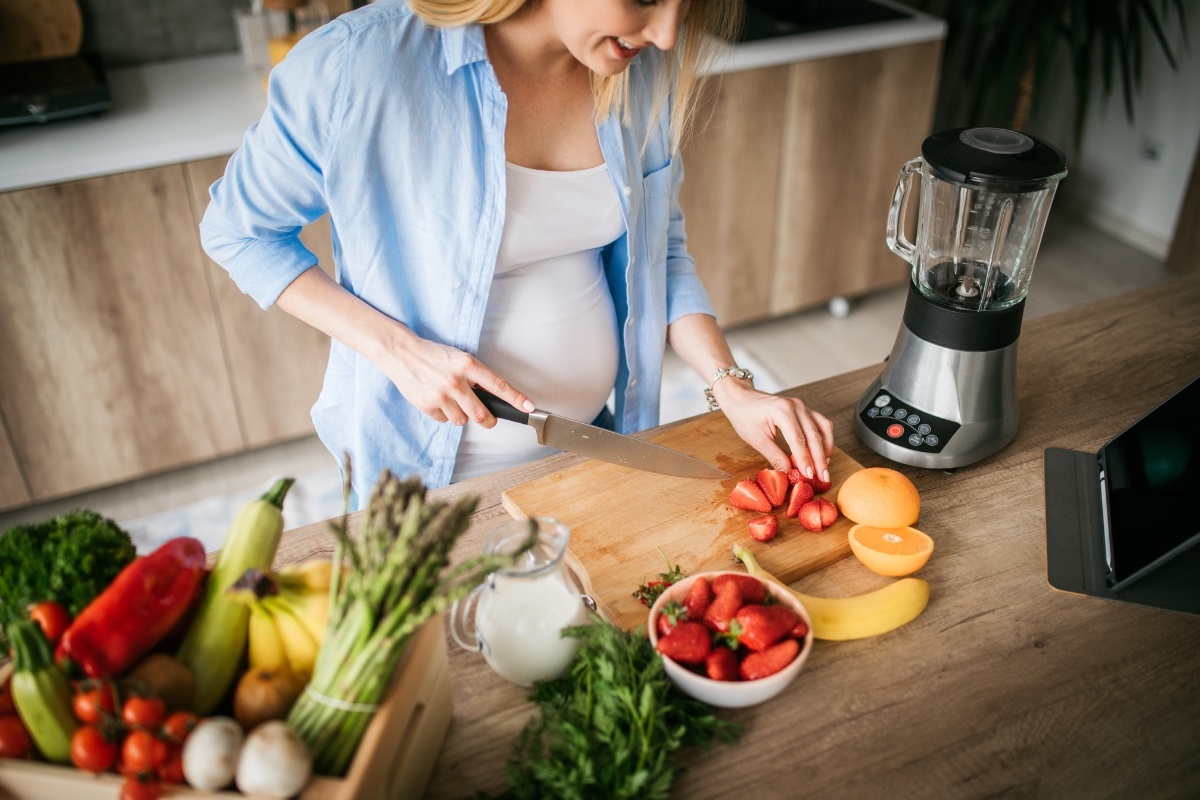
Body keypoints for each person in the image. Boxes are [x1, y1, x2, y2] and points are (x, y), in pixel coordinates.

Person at [201, 0, 834, 505]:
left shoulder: (638, 68)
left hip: (592, 447)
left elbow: (660, 254)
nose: (668, 33)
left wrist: (732, 386)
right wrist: (401, 353)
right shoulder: (359, 64)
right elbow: (239, 231)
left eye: (684, 4)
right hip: (429, 479)